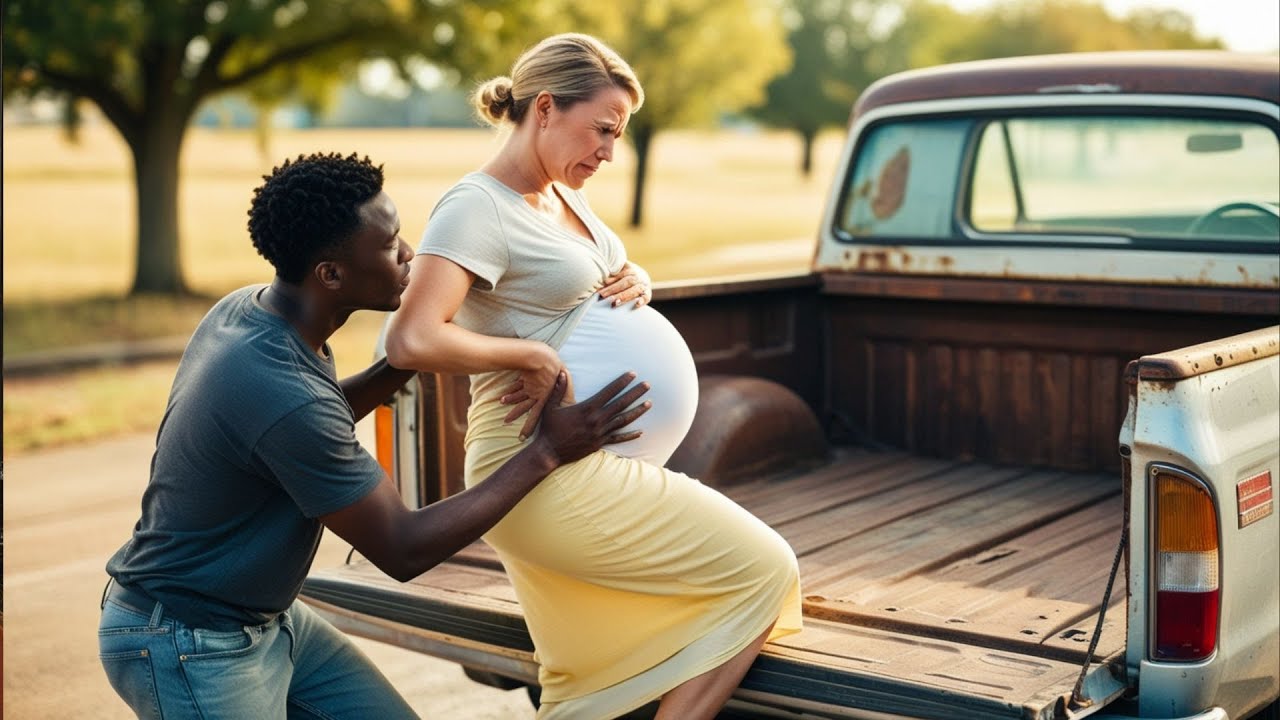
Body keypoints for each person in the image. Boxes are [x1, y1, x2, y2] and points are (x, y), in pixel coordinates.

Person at [98, 151, 652, 720]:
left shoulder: (250, 311)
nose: (410, 254)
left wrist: (407, 358)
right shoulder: (282, 391)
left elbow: (311, 415)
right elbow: (402, 546)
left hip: (268, 619)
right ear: (332, 275)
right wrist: (548, 452)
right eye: (390, 246)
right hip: (189, 641)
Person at [385, 34, 803, 720]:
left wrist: (636, 276)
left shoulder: (560, 196)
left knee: (656, 635)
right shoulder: (476, 207)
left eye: (619, 135)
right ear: (545, 108)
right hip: (541, 467)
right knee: (764, 572)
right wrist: (532, 358)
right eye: (602, 130)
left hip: (587, 458)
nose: (610, 152)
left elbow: (573, 287)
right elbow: (410, 337)